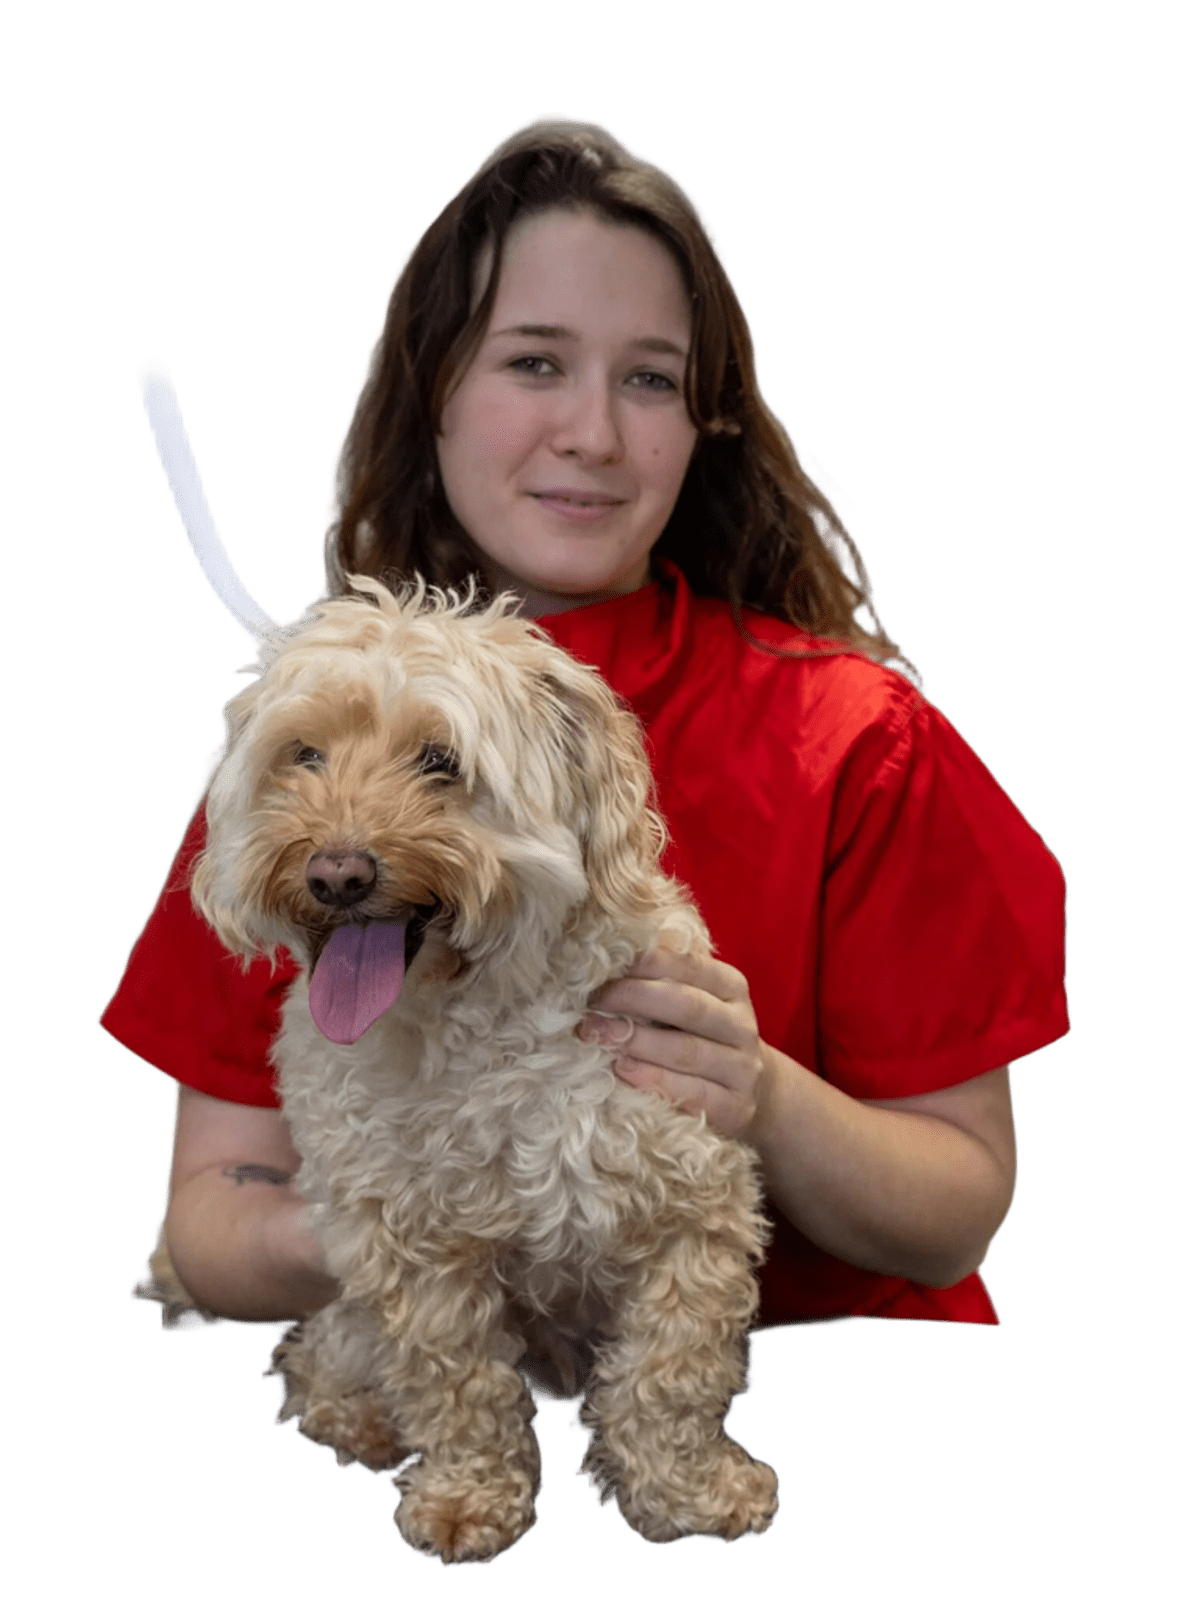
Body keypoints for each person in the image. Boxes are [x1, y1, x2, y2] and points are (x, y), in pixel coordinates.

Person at [101, 114, 1069, 1349]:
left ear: (704, 422)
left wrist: (763, 1094)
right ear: (433, 392)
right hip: (440, 1423)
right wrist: (375, 1231)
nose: (594, 435)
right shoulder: (303, 757)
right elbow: (210, 1212)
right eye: (534, 363)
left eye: (649, 379)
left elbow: (956, 1216)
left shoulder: (852, 738)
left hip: (816, 1393)